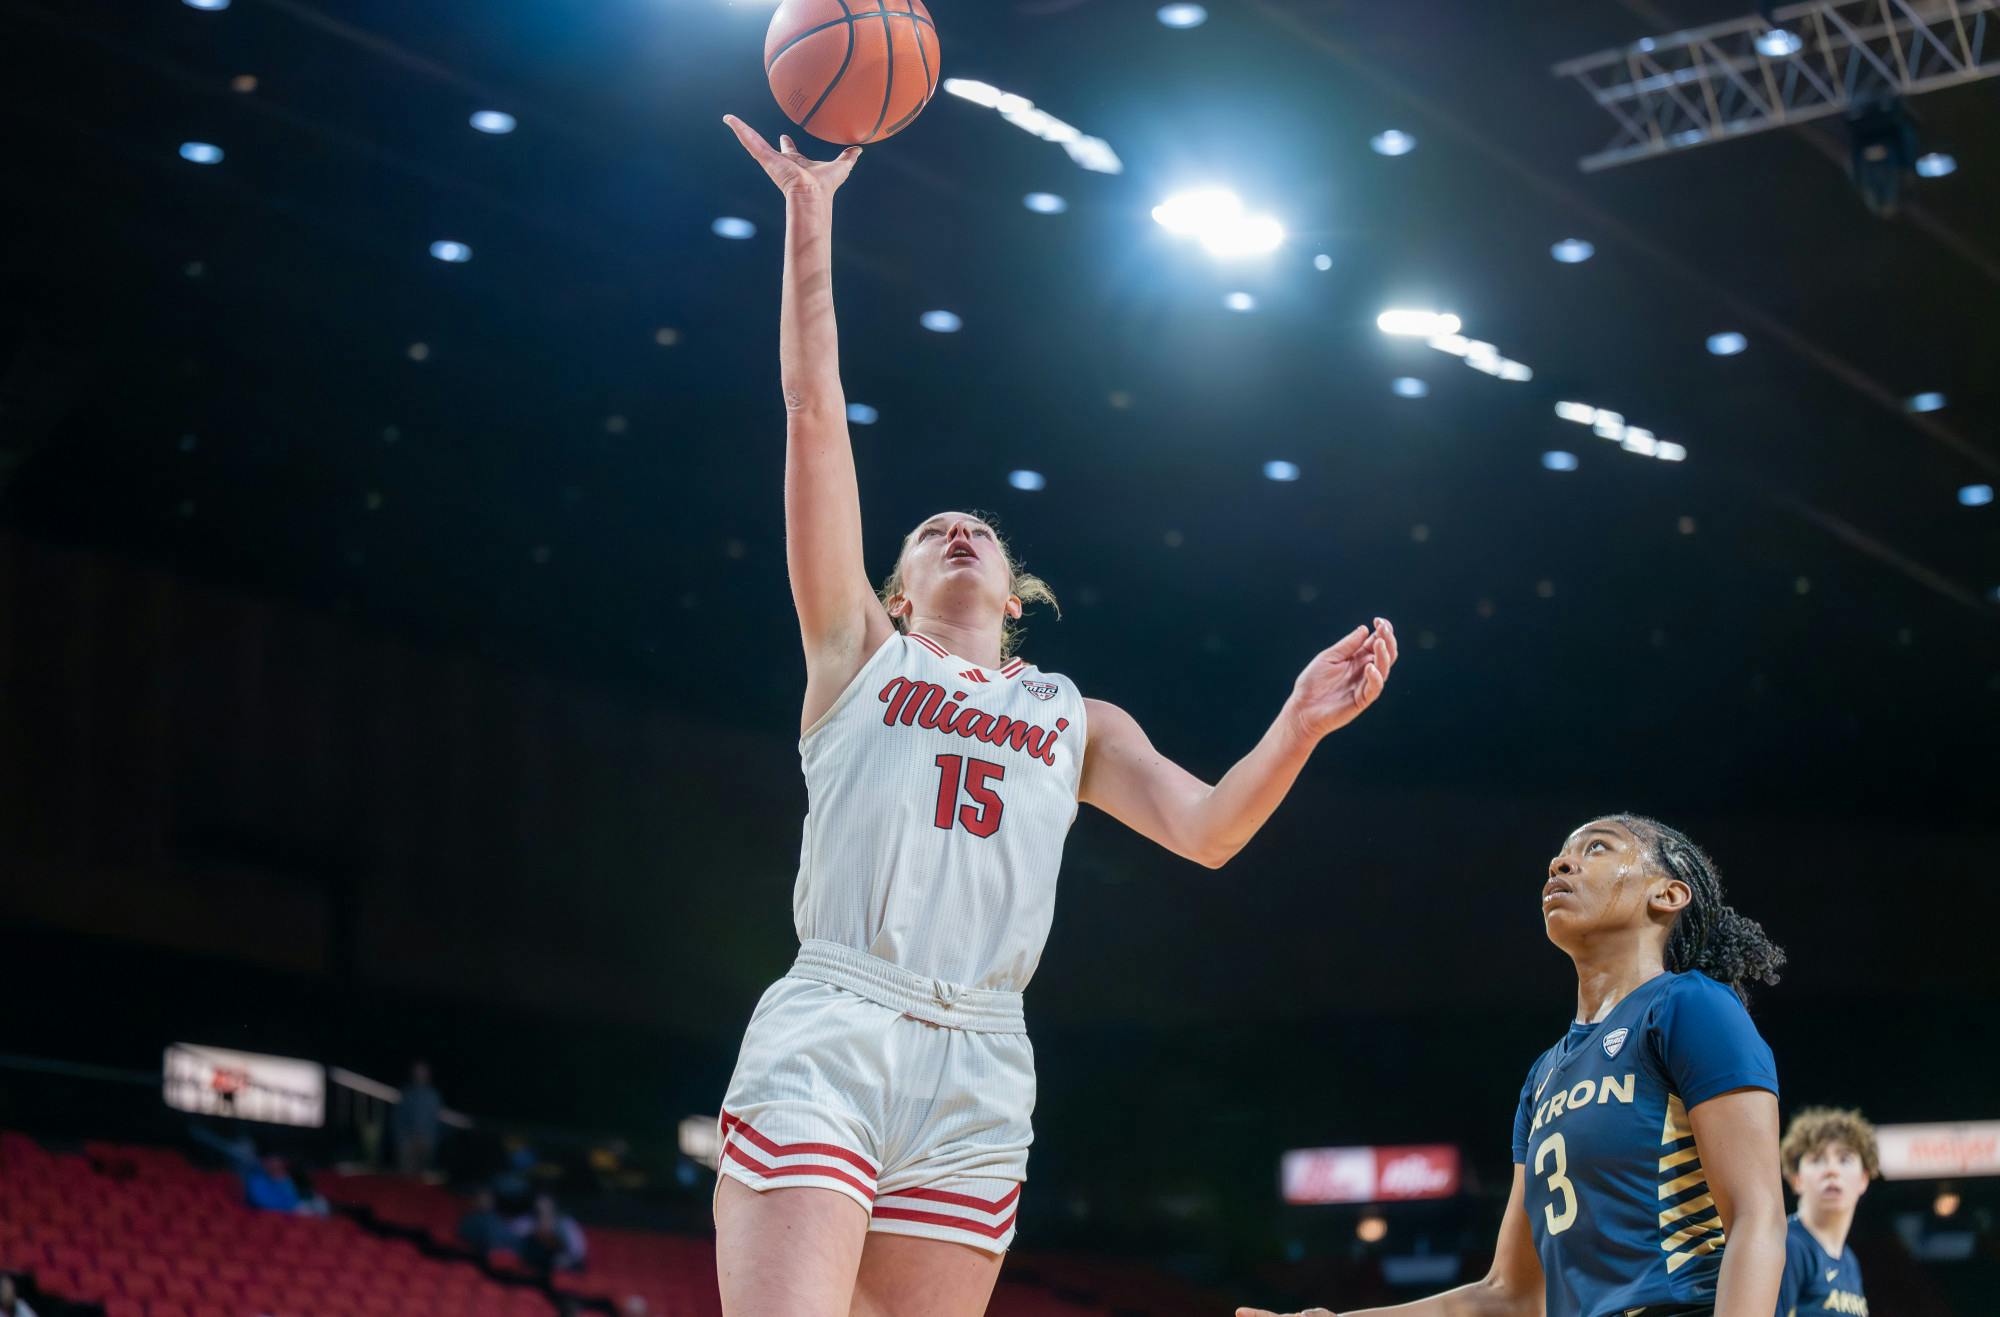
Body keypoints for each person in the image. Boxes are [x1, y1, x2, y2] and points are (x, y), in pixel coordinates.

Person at [714, 114, 1401, 1317]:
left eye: (976, 526)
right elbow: (811, 413)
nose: (957, 530)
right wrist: (809, 222)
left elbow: (1206, 831)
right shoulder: (856, 655)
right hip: (838, 1017)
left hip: (983, 1052)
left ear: (1013, 588)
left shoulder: (1076, 716)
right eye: (930, 531)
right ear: (898, 588)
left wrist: (1293, 725)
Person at [1238, 815, 1789, 1317]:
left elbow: (1756, 1216)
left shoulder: (1689, 1005)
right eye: (1562, 853)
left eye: (1598, 848)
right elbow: (1511, 1293)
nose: (1562, 862)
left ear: (1667, 895)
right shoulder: (1544, 1076)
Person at [1777, 1107, 1876, 1316]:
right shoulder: (1789, 1245)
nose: (1832, 1170)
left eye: (1845, 1159)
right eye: (1817, 1159)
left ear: (1864, 1179)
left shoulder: (1850, 1261)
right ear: (1796, 1179)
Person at [514, 1193, 587, 1273]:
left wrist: (567, 1259)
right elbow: (516, 1233)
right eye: (541, 1204)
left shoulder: (565, 1223)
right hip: (539, 1261)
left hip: (564, 1260)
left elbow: (577, 1249)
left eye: (547, 1204)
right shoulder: (530, 1221)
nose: (544, 1207)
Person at [394, 1060, 443, 1175]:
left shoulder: (433, 1095)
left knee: (423, 1175)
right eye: (417, 1071)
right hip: (408, 1140)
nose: (419, 1074)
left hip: (426, 1141)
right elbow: (398, 1119)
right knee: (407, 1174)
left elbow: (435, 1122)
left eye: (422, 1071)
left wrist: (431, 1139)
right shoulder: (407, 1093)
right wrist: (402, 1139)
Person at [458, 1187, 517, 1257]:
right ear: (475, 1200)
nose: (485, 1201)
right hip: (478, 1256)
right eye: (482, 1198)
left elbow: (508, 1239)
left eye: (488, 1199)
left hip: (502, 1255)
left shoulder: (498, 1218)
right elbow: (465, 1237)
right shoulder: (471, 1219)